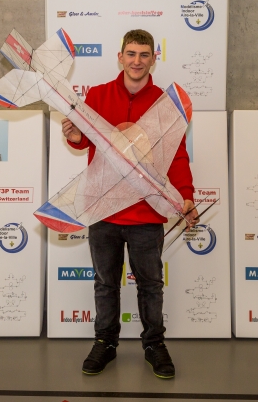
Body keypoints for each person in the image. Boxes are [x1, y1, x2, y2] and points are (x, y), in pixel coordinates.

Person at [62, 29, 199, 379]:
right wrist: (74, 137)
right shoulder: (97, 95)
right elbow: (84, 141)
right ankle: (105, 342)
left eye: (144, 54)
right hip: (104, 209)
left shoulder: (165, 104)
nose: (137, 61)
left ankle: (154, 344)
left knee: (150, 285)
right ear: (120, 57)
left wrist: (186, 195)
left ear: (154, 59)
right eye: (131, 54)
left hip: (146, 212)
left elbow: (177, 157)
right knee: (105, 283)